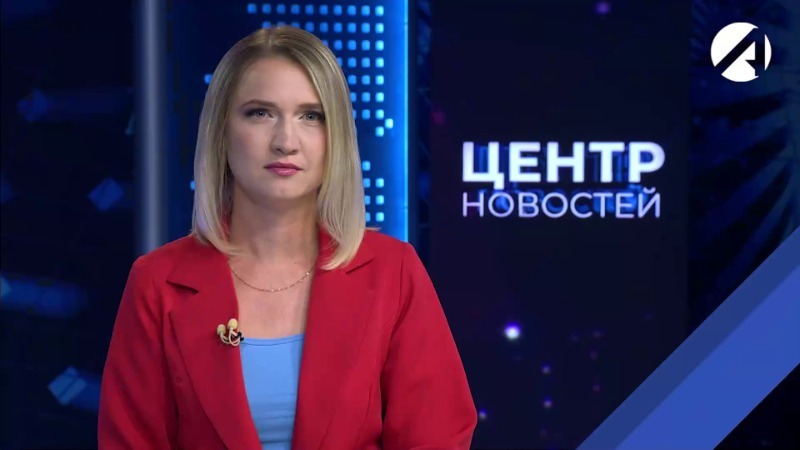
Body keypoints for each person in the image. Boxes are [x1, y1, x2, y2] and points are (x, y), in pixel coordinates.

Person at [97, 26, 477, 450]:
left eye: (311, 116)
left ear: (336, 138)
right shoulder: (157, 282)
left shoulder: (393, 271)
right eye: (260, 113)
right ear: (221, 130)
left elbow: (436, 436)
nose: (286, 142)